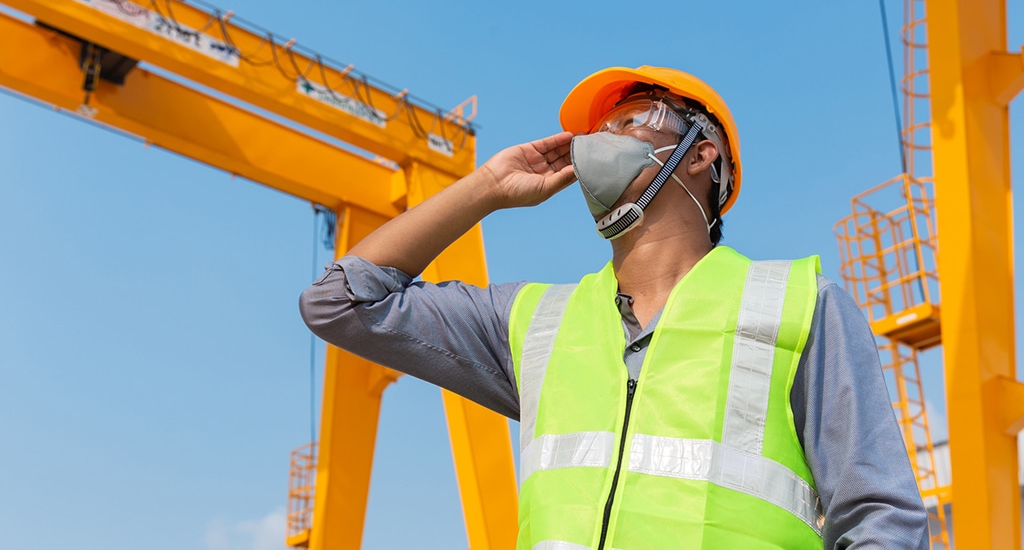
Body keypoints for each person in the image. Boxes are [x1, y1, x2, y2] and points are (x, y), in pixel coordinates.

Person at [299, 66, 929, 549]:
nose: (602, 142)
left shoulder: (797, 304)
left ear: (703, 152)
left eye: (630, 122)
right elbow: (340, 302)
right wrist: (488, 189)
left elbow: (881, 518)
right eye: (598, 133)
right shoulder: (533, 322)